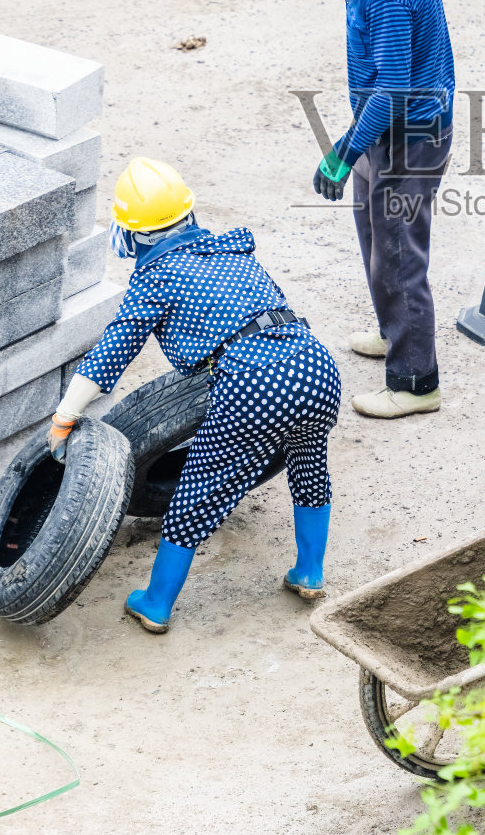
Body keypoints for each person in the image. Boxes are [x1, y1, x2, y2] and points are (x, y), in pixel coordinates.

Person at [47, 157, 341, 632]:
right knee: (309, 464)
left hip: (253, 385)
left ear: (133, 232)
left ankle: (155, 603)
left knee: (197, 494)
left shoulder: (157, 278)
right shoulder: (233, 252)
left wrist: (65, 415)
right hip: (315, 367)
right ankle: (309, 572)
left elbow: (111, 353)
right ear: (188, 212)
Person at [299, 0, 456, 421]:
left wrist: (343, 151)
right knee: (375, 234)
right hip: (386, 131)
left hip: (406, 137)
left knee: (398, 256)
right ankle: (395, 329)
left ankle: (416, 382)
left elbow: (392, 90)